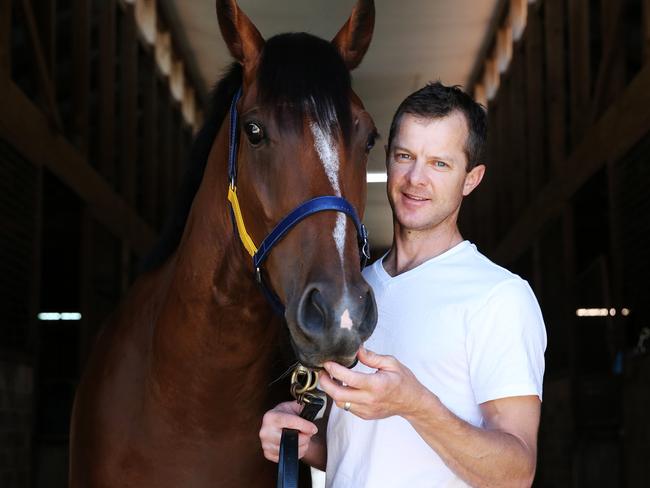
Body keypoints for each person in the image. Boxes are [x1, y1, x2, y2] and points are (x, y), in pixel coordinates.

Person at [259, 82, 547, 487]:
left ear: (471, 179)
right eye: (405, 156)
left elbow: (515, 474)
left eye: (440, 164)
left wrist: (415, 405)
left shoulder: (499, 297)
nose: (416, 178)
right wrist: (302, 442)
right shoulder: (356, 293)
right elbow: (357, 451)